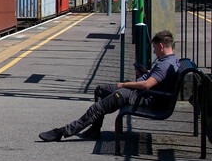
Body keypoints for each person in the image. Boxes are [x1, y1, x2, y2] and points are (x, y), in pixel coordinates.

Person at [39, 30, 180, 142]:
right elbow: (154, 77)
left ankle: (62, 132)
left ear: (161, 46)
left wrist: (124, 84)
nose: (154, 51)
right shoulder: (170, 61)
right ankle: (95, 130)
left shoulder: (165, 64)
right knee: (101, 89)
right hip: (140, 94)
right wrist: (145, 71)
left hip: (142, 97)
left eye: (155, 48)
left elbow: (146, 85)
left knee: (97, 109)